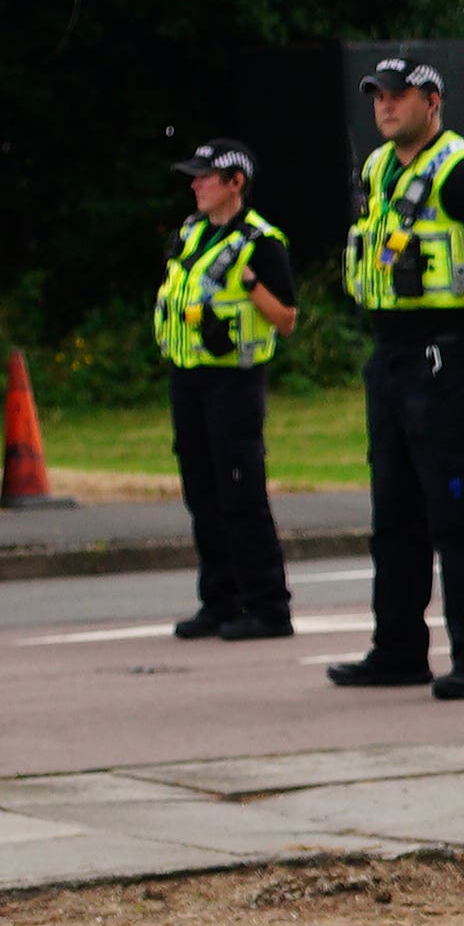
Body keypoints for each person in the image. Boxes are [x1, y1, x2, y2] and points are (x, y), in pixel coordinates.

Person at [331, 58, 464, 699]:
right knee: (395, 514)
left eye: (398, 95)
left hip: (449, 355)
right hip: (391, 354)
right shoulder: (379, 169)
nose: (385, 106)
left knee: (460, 513)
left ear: (432, 102)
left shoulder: (463, 171)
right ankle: (398, 650)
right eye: (378, 96)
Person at [153, 141, 299, 642]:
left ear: (235, 182)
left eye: (205, 176)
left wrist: (253, 284)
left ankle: (268, 606)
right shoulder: (192, 234)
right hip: (188, 377)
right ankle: (219, 600)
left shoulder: (261, 241)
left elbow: (286, 320)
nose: (195, 184)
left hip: (233, 383)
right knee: (203, 494)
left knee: (241, 494)